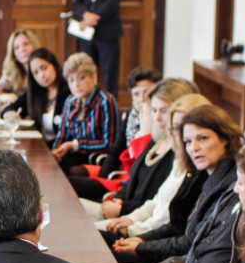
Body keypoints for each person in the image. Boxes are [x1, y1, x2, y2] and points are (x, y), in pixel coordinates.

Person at [113, 105, 242, 263]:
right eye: (188, 141)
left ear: (224, 138)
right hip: (177, 258)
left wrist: (141, 245)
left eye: (202, 138)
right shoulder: (208, 174)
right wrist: (141, 240)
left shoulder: (229, 183)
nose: (193, 148)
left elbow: (191, 241)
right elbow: (182, 228)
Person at [75, 79, 195, 215]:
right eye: (154, 110)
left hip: (133, 216)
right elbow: (133, 178)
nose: (157, 118)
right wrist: (117, 199)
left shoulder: (178, 152)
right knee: (69, 205)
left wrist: (122, 209)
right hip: (125, 209)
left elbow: (156, 204)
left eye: (164, 111)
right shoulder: (158, 140)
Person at [100, 94, 210, 242]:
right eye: (176, 128)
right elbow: (156, 201)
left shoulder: (200, 171)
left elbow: (171, 224)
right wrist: (130, 219)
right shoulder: (180, 160)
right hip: (141, 229)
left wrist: (133, 231)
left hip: (153, 240)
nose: (183, 135)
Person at [51, 52, 120, 176]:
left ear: (94, 77)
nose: (76, 84)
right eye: (71, 80)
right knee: (50, 166)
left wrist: (74, 145)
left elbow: (109, 144)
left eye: (82, 78)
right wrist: (56, 151)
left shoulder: (106, 101)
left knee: (67, 173)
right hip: (74, 156)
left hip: (97, 159)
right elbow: (62, 135)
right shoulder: (70, 101)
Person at [72, 0, 125, 97]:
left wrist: (92, 18)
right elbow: (78, 2)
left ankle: (110, 104)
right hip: (87, 35)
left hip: (107, 32)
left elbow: (112, 3)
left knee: (110, 72)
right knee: (86, 70)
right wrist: (84, 15)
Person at [0, 47, 70, 144]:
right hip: (41, 147)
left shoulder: (69, 90)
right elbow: (9, 108)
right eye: (36, 72)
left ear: (54, 64)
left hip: (60, 149)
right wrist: (10, 114)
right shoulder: (35, 92)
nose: (41, 75)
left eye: (44, 68)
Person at [0, 28, 41, 107]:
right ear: (13, 54)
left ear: (34, 45)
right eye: (17, 47)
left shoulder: (43, 71)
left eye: (26, 44)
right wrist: (1, 97)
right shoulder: (11, 75)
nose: (22, 49)